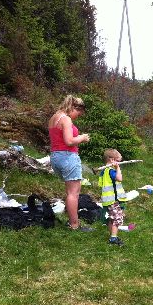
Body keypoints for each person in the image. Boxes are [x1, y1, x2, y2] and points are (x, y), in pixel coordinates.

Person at [48, 95, 91, 231]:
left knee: (69, 192)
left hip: (55, 156)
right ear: (73, 108)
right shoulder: (66, 119)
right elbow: (69, 141)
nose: (77, 116)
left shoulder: (54, 117)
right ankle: (74, 224)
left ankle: (71, 218)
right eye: (78, 113)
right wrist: (82, 138)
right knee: (74, 193)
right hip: (68, 157)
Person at [99, 149, 128, 246]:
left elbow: (101, 184)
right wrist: (118, 168)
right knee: (117, 219)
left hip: (107, 200)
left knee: (111, 218)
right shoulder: (111, 171)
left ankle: (112, 235)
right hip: (113, 200)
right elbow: (119, 178)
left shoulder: (103, 171)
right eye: (118, 161)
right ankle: (113, 239)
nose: (119, 163)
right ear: (112, 160)